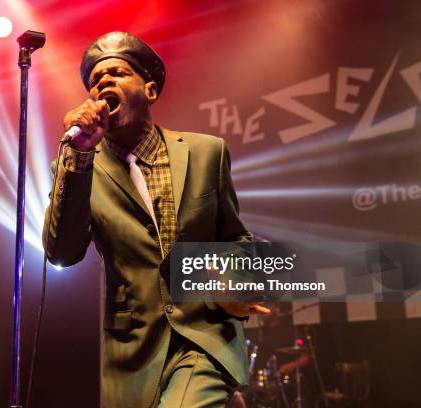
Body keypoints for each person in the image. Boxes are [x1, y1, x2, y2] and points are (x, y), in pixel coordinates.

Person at [42, 31, 269, 408]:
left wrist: (237, 279)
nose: (103, 84)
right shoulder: (78, 166)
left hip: (204, 335)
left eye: (116, 73)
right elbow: (62, 254)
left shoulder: (205, 152)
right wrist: (79, 157)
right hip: (133, 353)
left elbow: (235, 236)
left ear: (149, 90)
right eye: (96, 82)